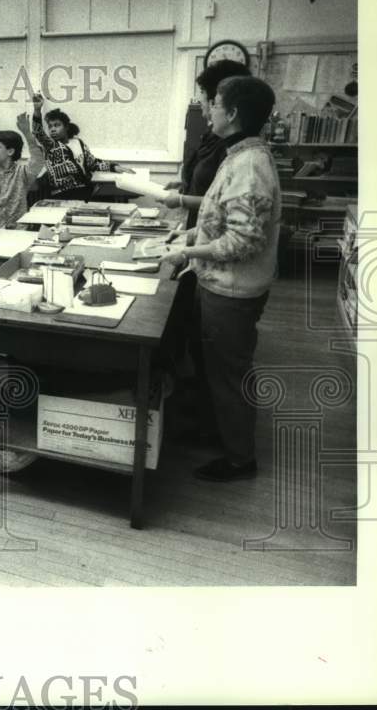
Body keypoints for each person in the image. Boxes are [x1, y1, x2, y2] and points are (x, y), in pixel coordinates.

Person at [160, 75, 281, 483]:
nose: (208, 109)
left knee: (229, 374)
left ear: (232, 113)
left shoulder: (249, 166)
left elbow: (243, 241)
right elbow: (220, 216)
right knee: (216, 368)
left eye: (214, 103)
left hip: (233, 290)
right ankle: (218, 433)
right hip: (218, 283)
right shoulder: (239, 153)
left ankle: (240, 459)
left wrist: (188, 252)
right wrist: (191, 233)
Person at [159, 59, 253, 227]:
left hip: (215, 231)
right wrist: (187, 184)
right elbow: (208, 180)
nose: (200, 100)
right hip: (200, 228)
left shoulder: (236, 148)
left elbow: (225, 204)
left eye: (202, 92)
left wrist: (181, 200)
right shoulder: (213, 134)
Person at [31, 93, 133, 200]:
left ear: (66, 127)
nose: (52, 129)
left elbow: (93, 163)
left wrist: (114, 167)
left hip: (83, 190)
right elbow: (38, 133)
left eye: (57, 125)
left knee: (110, 197)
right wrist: (37, 109)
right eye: (50, 126)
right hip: (62, 194)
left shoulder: (78, 143)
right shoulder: (51, 146)